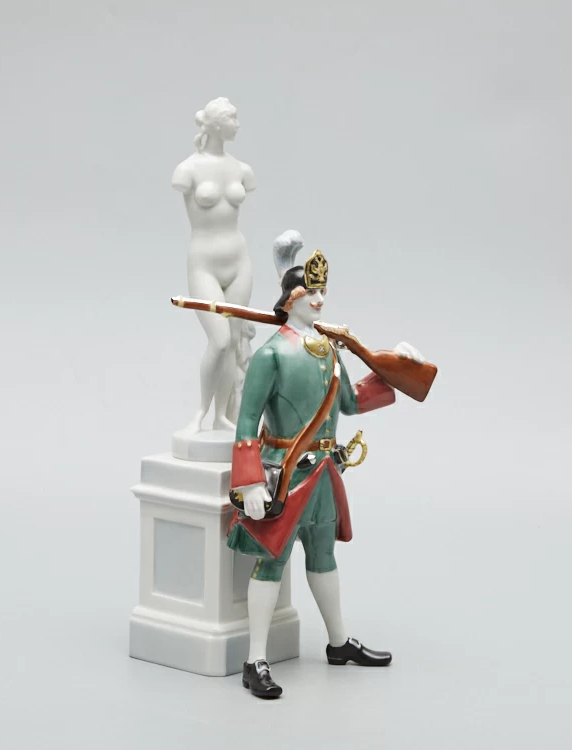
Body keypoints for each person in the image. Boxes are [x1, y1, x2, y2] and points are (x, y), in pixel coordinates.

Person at [227, 231, 426, 698]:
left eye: (322, 292)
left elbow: (351, 402)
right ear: (290, 298)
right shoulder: (270, 354)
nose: (318, 301)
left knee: (324, 559)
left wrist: (398, 368)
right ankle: (255, 660)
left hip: (322, 477)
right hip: (285, 477)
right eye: (309, 293)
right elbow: (247, 422)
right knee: (270, 565)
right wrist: (250, 482)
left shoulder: (330, 350)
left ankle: (338, 643)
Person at [172, 97, 256, 434]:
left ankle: (222, 415)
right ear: (217, 124)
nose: (238, 124)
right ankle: (200, 413)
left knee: (233, 342)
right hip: (204, 263)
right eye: (233, 118)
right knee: (219, 340)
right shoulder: (187, 170)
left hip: (239, 260)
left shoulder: (242, 169)